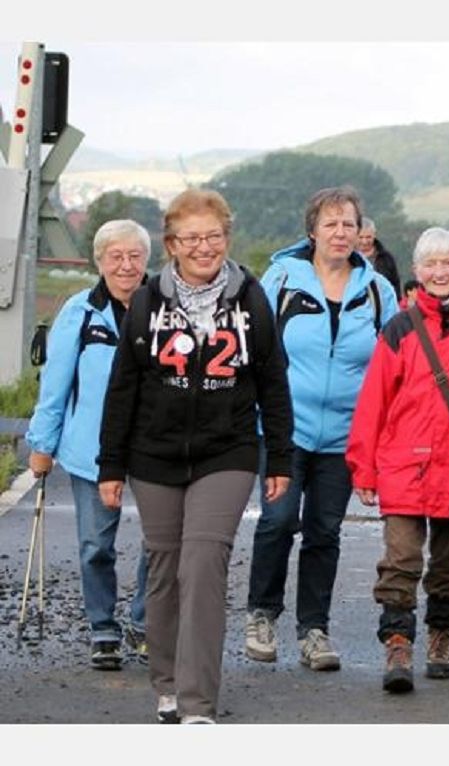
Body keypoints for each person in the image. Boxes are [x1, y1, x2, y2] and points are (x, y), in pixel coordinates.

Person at [97, 189, 293, 724]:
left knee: (203, 563)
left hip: (226, 451)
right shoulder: (146, 300)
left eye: (213, 236)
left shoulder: (252, 299)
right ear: (171, 244)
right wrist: (110, 465)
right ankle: (166, 681)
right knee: (164, 568)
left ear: (226, 238)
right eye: (191, 238)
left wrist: (279, 458)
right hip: (153, 455)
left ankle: (196, 701)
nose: (203, 247)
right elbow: (124, 386)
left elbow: (273, 381)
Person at [244, 187, 398, 672]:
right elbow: (254, 352)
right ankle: (262, 615)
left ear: (361, 233)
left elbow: (392, 365)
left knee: (324, 531)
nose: (340, 233)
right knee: (276, 521)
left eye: (348, 224)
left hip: (345, 436)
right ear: (312, 230)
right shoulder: (282, 279)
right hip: (284, 430)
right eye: (330, 224)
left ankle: (314, 630)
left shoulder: (377, 290)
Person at [348, 227, 449, 693]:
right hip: (404, 464)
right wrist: (363, 467)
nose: (440, 271)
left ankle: (441, 635)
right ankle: (397, 641)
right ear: (417, 271)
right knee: (401, 559)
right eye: (431, 263)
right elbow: (374, 402)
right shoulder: (400, 328)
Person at [26, 219, 150, 671]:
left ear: (147, 261)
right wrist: (42, 444)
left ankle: (144, 621)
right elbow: (55, 385)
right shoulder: (79, 312)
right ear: (99, 261)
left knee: (161, 543)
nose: (125, 265)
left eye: (135, 256)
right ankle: (103, 628)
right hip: (91, 449)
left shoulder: (164, 308)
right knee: (96, 544)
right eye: (115, 256)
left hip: (155, 447)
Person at [358, 216, 402, 295]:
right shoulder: (346, 257)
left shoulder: (386, 258)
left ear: (374, 235)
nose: (364, 241)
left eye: (368, 237)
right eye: (361, 237)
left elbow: (395, 284)